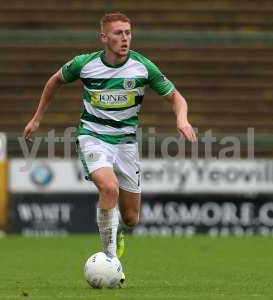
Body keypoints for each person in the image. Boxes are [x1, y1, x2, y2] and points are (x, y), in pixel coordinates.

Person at [24, 12, 196, 285]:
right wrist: (37, 118)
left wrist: (182, 118)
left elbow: (176, 98)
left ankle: (117, 234)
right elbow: (54, 80)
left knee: (131, 217)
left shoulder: (142, 67)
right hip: (93, 137)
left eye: (128, 32)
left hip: (126, 144)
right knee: (108, 188)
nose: (124, 38)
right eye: (118, 33)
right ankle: (110, 258)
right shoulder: (85, 64)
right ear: (104, 37)